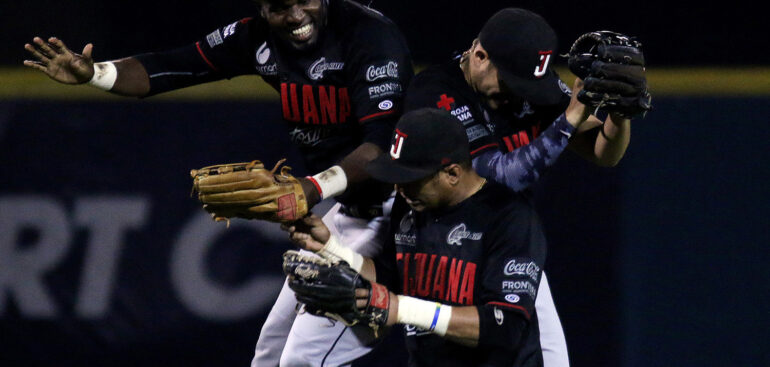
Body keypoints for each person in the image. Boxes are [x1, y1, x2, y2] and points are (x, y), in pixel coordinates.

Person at [23, 0, 413, 365]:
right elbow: (175, 65)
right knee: (271, 354)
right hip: (349, 210)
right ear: (260, 7)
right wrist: (96, 73)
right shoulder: (256, 36)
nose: (295, 15)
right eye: (279, 6)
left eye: (303, 1)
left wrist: (310, 188)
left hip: (403, 216)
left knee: (303, 360)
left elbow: (382, 148)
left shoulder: (369, 36)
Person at [403, 8, 645, 366]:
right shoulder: (436, 93)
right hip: (439, 243)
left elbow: (602, 153)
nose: (520, 93)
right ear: (479, 55)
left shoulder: (530, 84)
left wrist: (620, 115)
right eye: (512, 82)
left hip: (504, 244)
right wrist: (570, 117)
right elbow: (498, 176)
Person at [284, 108, 552, 366]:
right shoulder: (412, 205)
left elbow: (504, 326)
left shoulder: (510, 218)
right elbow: (389, 278)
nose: (399, 187)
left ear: (453, 173)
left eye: (411, 178)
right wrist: (330, 247)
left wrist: (402, 309)